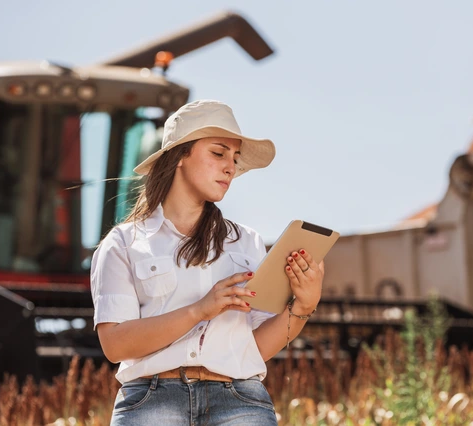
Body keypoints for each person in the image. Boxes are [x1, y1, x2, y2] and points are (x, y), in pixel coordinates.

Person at [90, 99, 324, 425]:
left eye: (235, 158)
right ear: (180, 156)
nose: (231, 167)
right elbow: (115, 345)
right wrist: (199, 310)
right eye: (218, 153)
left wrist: (303, 306)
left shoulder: (247, 242)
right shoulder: (123, 244)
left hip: (239, 401)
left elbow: (255, 346)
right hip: (150, 402)